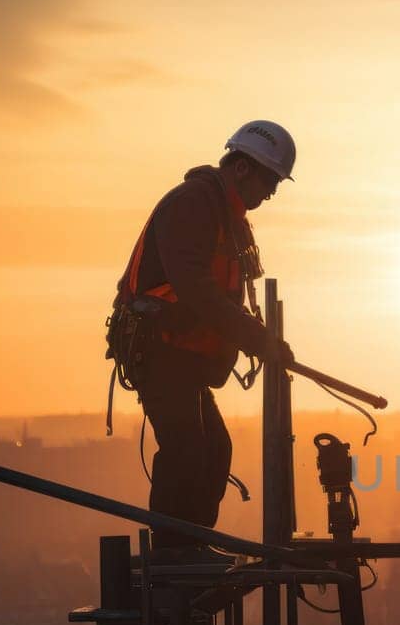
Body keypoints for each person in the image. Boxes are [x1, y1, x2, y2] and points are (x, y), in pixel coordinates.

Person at [114, 120, 297, 556]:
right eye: (269, 180)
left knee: (214, 448)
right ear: (241, 168)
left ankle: (193, 545)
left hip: (184, 355)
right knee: (186, 449)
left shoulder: (228, 217)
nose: (270, 193)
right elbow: (197, 289)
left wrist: (258, 338)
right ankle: (175, 555)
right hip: (159, 350)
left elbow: (222, 294)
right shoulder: (192, 205)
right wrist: (257, 338)